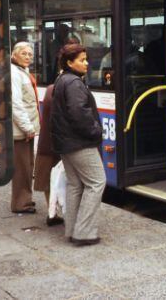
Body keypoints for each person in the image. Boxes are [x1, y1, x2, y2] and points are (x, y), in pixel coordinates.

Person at [50, 43, 105, 246]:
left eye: (86, 59)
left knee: (75, 185)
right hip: (80, 143)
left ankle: (72, 231)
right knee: (97, 182)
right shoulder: (74, 83)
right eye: (82, 60)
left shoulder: (62, 80)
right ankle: (84, 232)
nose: (87, 63)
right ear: (70, 62)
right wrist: (96, 131)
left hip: (66, 143)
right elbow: (79, 114)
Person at [10, 42, 40, 214]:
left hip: (26, 129)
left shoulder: (22, 70)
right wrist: (28, 128)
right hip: (21, 130)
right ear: (14, 55)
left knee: (27, 165)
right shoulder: (15, 73)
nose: (28, 57)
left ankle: (25, 200)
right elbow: (16, 104)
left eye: (30, 54)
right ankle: (21, 204)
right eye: (24, 54)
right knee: (22, 168)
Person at [33, 80, 63, 226]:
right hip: (59, 143)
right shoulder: (61, 90)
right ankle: (58, 212)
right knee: (62, 178)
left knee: (47, 179)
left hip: (46, 143)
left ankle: (52, 212)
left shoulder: (50, 89)